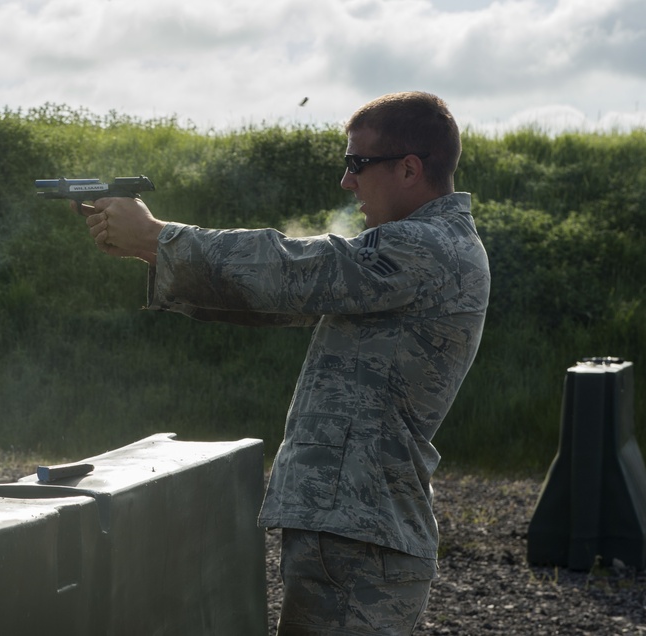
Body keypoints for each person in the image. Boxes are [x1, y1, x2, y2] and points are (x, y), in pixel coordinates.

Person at [75, 91, 490, 635]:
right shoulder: (416, 250)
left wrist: (158, 238)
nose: (347, 182)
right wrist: (152, 251)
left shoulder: (429, 247)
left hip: (364, 534)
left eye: (357, 164)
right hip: (358, 528)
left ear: (410, 168)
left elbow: (297, 267)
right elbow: (281, 296)